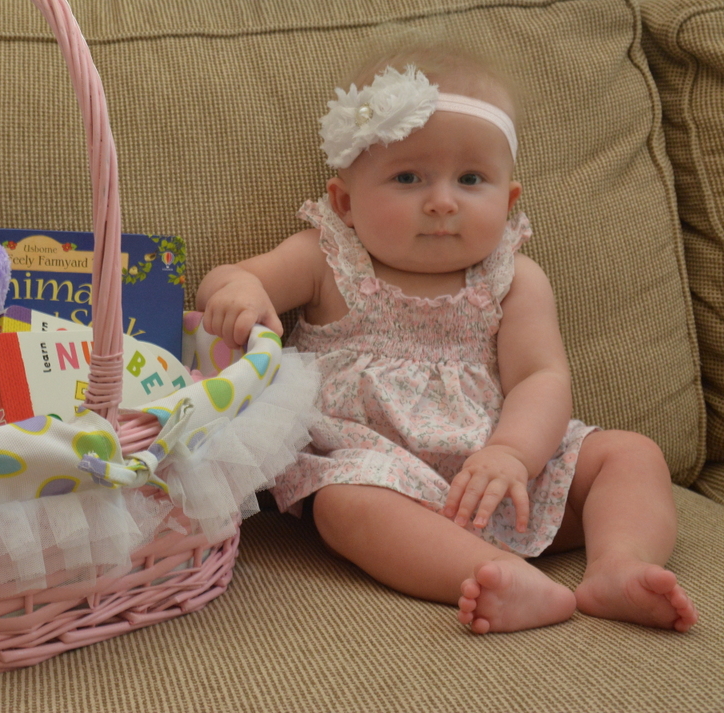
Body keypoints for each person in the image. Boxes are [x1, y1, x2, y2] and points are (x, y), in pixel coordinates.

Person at [195, 49, 699, 634]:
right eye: (408, 177)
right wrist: (239, 290)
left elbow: (540, 377)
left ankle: (619, 565)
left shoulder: (514, 279)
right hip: (383, 476)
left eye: (471, 179)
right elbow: (230, 278)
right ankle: (494, 574)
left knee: (631, 454)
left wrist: (513, 453)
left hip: (508, 475)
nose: (442, 201)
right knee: (340, 504)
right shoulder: (326, 259)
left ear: (508, 201)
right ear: (345, 203)